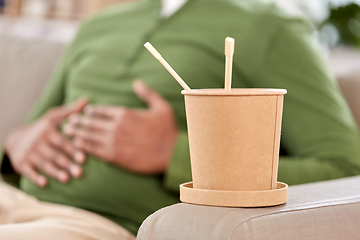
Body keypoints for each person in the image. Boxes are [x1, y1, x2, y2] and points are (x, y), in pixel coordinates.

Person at [1, 0, 360, 239]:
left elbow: (345, 169)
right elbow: (29, 131)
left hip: (92, 223)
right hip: (14, 198)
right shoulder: (99, 24)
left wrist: (171, 152)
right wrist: (17, 143)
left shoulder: (269, 29)